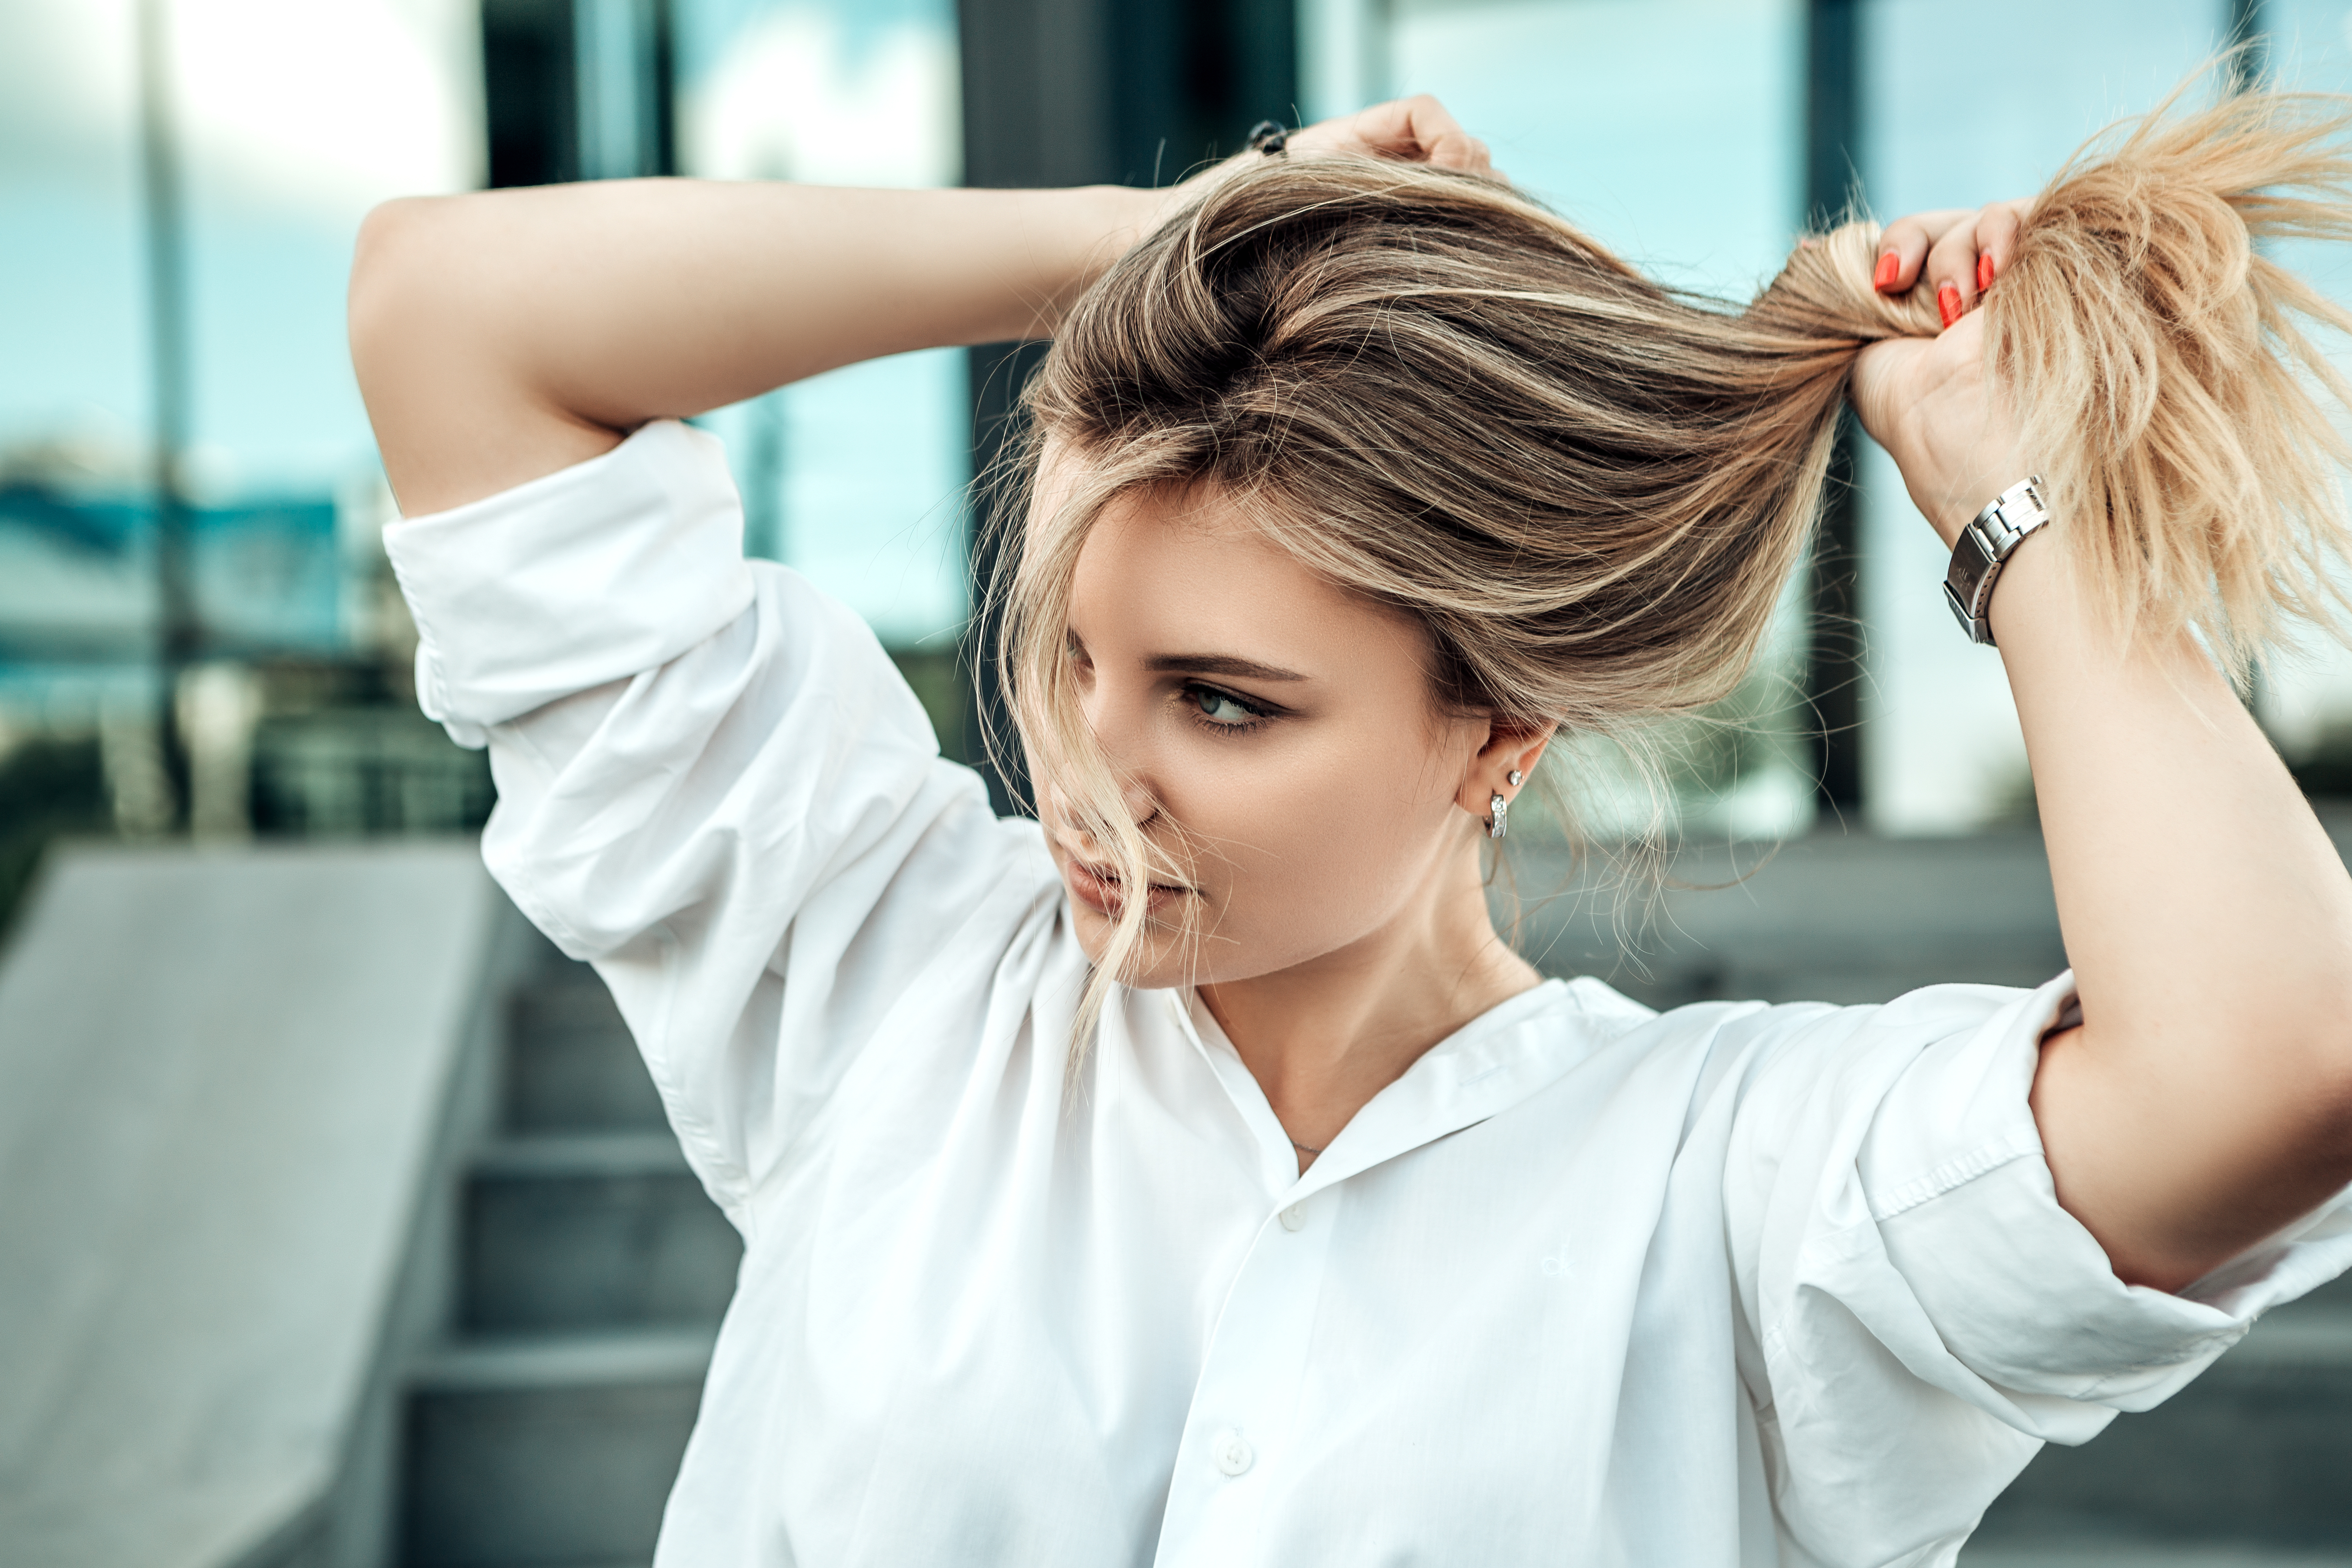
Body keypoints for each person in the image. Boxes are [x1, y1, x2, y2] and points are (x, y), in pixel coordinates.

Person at [352, 83, 2352, 1568]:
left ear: (1503, 731)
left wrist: (2018, 508)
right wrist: (1175, 232)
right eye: (1067, 657)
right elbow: (453, 318)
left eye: (1224, 703)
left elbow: (2278, 1065)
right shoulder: (895, 982)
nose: (1088, 773)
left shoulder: (1738, 1201)